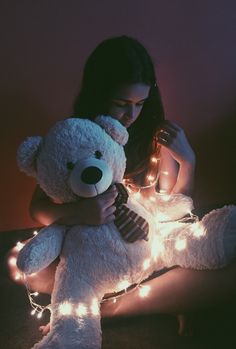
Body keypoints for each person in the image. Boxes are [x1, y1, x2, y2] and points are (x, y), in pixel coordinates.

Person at [9, 35, 236, 335]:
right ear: (99, 95)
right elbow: (37, 208)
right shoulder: (78, 138)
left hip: (152, 252)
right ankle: (169, 299)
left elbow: (178, 213)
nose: (131, 115)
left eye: (140, 104)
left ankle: (109, 309)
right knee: (24, 268)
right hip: (94, 257)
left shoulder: (157, 138)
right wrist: (79, 214)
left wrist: (188, 162)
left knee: (224, 263)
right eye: (121, 104)